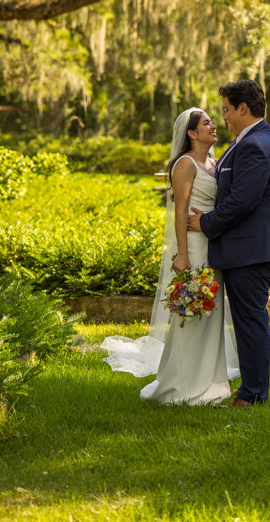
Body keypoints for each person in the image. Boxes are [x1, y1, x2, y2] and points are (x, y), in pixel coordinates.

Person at [101, 107, 239, 404]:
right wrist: (183, 255)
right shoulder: (185, 165)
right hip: (192, 245)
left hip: (212, 244)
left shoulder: (216, 163)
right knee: (192, 312)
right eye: (206, 123)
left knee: (211, 313)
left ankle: (210, 381)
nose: (214, 125)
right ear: (191, 133)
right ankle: (181, 383)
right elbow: (180, 211)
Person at [188, 80, 270, 407]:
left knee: (249, 320)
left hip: (253, 247)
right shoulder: (250, 140)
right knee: (247, 319)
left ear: (243, 108)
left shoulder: (255, 145)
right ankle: (251, 388)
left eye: (227, 110)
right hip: (247, 246)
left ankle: (254, 394)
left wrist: (204, 223)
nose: (225, 118)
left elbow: (241, 202)